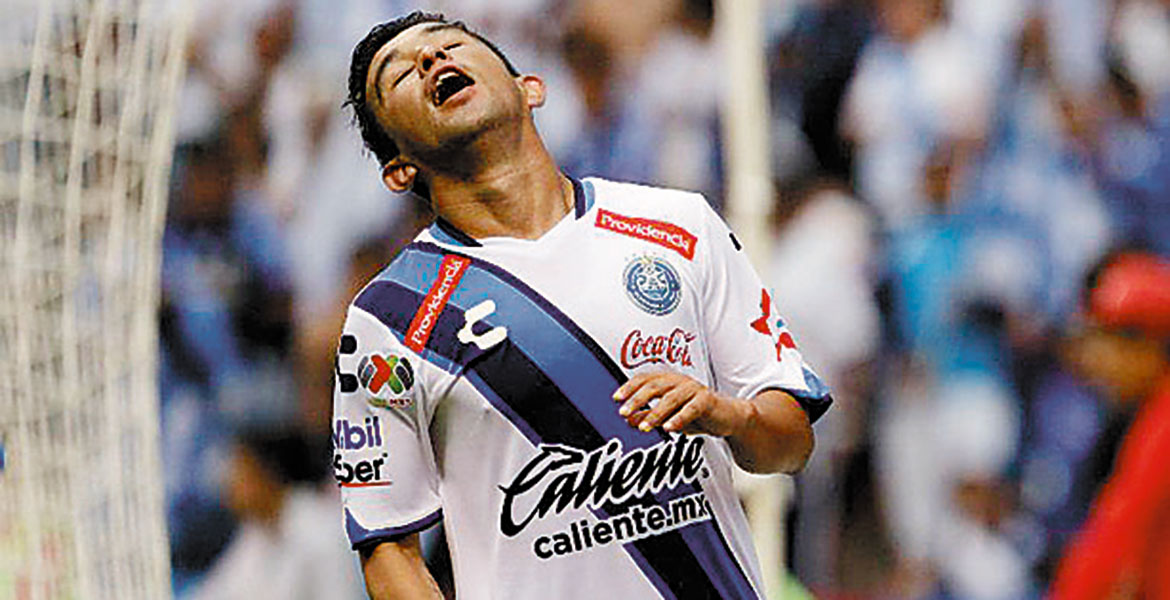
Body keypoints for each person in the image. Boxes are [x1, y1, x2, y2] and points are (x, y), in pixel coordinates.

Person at [331, 11, 832, 599]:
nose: (431, 59)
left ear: (530, 88)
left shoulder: (679, 226)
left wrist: (730, 415)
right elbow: (390, 549)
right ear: (398, 169)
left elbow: (791, 443)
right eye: (398, 75)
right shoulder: (389, 318)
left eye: (451, 44)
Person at [1050, 251, 1170, 599]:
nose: (1096, 362)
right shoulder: (1150, 414)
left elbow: (1116, 537)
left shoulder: (1163, 423)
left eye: (1109, 343)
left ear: (1148, 345)